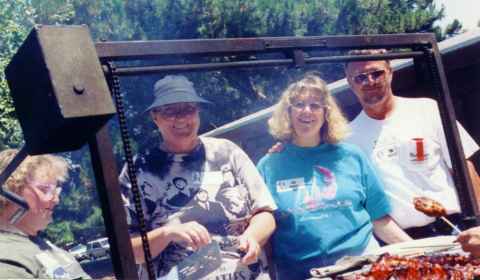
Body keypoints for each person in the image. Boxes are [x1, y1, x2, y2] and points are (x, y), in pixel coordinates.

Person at [119, 75, 277, 280]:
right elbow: (129, 252)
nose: (181, 118)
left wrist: (252, 237)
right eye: (170, 111)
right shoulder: (137, 170)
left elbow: (265, 213)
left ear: (198, 112)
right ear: (154, 116)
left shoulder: (228, 152)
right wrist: (168, 233)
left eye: (188, 109)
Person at [256, 74, 411, 280]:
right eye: (299, 104)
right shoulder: (268, 166)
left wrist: (419, 251)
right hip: (301, 274)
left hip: (362, 268)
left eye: (315, 105)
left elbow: (379, 219)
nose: (307, 111)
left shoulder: (351, 156)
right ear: (288, 112)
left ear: (326, 113)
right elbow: (264, 236)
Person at [345, 49, 480, 239]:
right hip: (402, 242)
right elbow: (368, 205)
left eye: (377, 73)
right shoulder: (349, 139)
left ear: (390, 73)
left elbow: (464, 167)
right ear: (350, 83)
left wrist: (478, 223)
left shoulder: (428, 109)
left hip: (457, 228)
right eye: (360, 77)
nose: (370, 82)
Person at [0, 149, 90, 279]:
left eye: (56, 191)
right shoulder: (6, 258)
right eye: (44, 190)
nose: (56, 200)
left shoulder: (42, 245)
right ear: (8, 192)